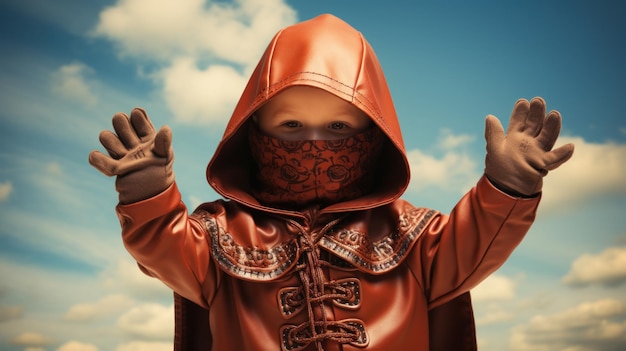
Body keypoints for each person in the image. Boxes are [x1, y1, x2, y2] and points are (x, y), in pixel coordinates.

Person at [89, 14, 574, 351]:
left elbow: (474, 247)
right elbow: (164, 249)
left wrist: (507, 186)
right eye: (292, 127)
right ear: (253, 131)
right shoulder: (219, 234)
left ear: (376, 134)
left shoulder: (415, 236)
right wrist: (148, 192)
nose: (314, 146)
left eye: (339, 128)